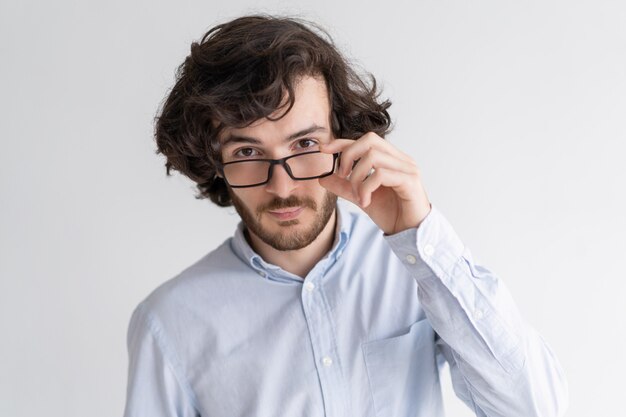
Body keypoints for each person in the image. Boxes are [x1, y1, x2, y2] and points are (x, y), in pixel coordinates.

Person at [123, 14, 568, 417]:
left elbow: (534, 408)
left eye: (304, 145)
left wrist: (419, 235)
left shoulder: (416, 272)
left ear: (343, 137)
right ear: (215, 160)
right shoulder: (170, 322)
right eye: (248, 152)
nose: (282, 187)